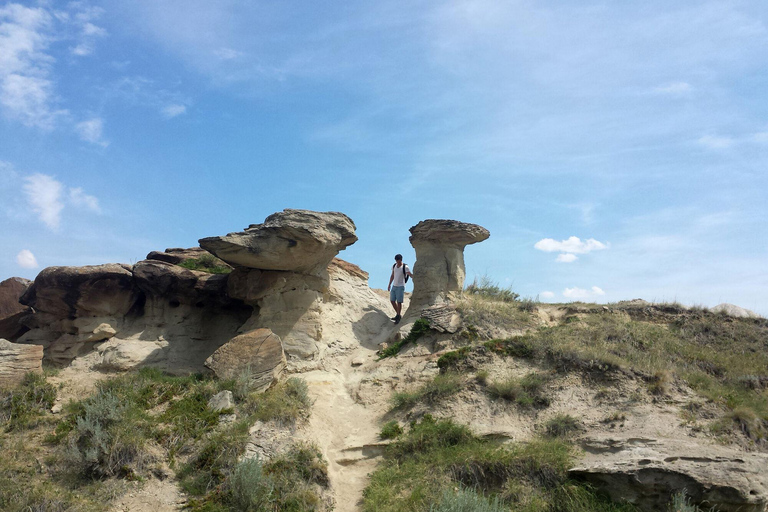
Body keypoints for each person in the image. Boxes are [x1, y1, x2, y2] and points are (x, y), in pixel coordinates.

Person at [387, 254, 413, 324]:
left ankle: (398, 316)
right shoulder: (394, 266)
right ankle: (398, 315)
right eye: (396, 261)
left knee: (399, 302)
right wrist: (389, 284)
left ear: (401, 260)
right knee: (392, 300)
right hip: (394, 286)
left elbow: (409, 274)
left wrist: (414, 276)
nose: (397, 263)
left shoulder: (405, 267)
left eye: (398, 261)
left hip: (401, 286)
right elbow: (392, 275)